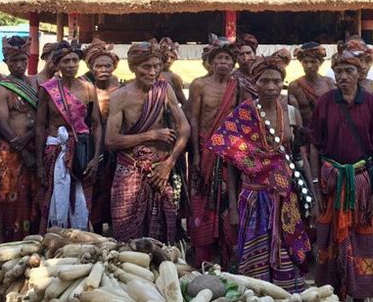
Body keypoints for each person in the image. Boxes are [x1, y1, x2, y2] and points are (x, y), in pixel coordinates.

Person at [209, 54, 313, 292]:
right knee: (254, 258)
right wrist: (233, 207)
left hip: (284, 197)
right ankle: (256, 293)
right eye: (264, 81)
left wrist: (312, 195)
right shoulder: (242, 115)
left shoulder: (290, 113)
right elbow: (233, 164)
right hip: (253, 198)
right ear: (254, 83)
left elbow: (298, 156)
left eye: (276, 81)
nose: (271, 87)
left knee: (286, 250)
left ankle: (284, 292)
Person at [310, 50, 373, 301]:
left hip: (361, 183)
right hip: (331, 182)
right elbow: (314, 145)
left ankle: (359, 294)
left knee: (361, 236)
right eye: (338, 71)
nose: (343, 76)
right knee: (328, 236)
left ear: (360, 73)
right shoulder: (325, 102)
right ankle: (331, 292)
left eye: (349, 71)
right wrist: (316, 187)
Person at [105, 43, 190, 243]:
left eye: (156, 66)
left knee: (161, 231)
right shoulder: (120, 96)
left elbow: (184, 127)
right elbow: (110, 141)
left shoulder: (165, 89)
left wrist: (169, 164)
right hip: (130, 169)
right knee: (126, 230)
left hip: (161, 170)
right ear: (133, 67)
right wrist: (150, 135)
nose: (152, 72)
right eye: (146, 67)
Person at [188, 38, 249, 267]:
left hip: (228, 153)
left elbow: (243, 119)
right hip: (205, 150)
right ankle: (202, 253)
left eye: (228, 59)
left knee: (228, 200)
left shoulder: (238, 86)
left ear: (233, 63)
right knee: (202, 199)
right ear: (211, 63)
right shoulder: (199, 85)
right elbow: (193, 118)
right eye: (219, 59)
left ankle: (226, 255)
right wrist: (195, 153)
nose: (223, 63)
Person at [35, 42, 102, 232]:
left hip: (81, 151)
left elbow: (96, 124)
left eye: (75, 60)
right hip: (55, 150)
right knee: (54, 195)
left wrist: (96, 158)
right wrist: (39, 164)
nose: (71, 65)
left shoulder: (88, 88)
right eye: (66, 61)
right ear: (57, 65)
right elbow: (40, 126)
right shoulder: (47, 89)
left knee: (80, 196)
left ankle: (79, 239)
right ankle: (55, 237)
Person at [0, 37, 39, 242]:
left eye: (22, 60)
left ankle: (34, 242)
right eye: (14, 61)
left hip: (32, 144)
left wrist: (30, 137)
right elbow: (3, 123)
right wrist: (22, 149)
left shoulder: (35, 84)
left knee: (33, 195)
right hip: (12, 150)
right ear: (6, 62)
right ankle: (12, 245)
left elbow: (41, 118)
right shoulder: (2, 88)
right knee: (11, 196)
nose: (19, 65)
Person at [78, 38, 123, 233]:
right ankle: (96, 229)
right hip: (94, 142)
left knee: (115, 186)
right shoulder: (83, 87)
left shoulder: (121, 87)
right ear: (90, 66)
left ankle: (116, 227)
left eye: (108, 65)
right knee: (96, 187)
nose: (104, 69)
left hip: (117, 143)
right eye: (99, 65)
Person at [288, 42, 335, 126]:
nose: (309, 66)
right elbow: (293, 116)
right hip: (305, 133)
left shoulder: (329, 83)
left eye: (313, 62)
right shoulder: (294, 86)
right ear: (301, 63)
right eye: (305, 62)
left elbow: (336, 111)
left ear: (320, 63)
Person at [158, 37, 188, 107]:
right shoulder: (149, 74)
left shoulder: (174, 78)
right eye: (165, 57)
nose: (168, 61)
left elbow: (182, 100)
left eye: (172, 58)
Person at [233, 33, 259, 98]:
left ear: (254, 54)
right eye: (241, 54)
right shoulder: (233, 78)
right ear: (236, 58)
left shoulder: (262, 74)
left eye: (248, 53)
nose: (245, 58)